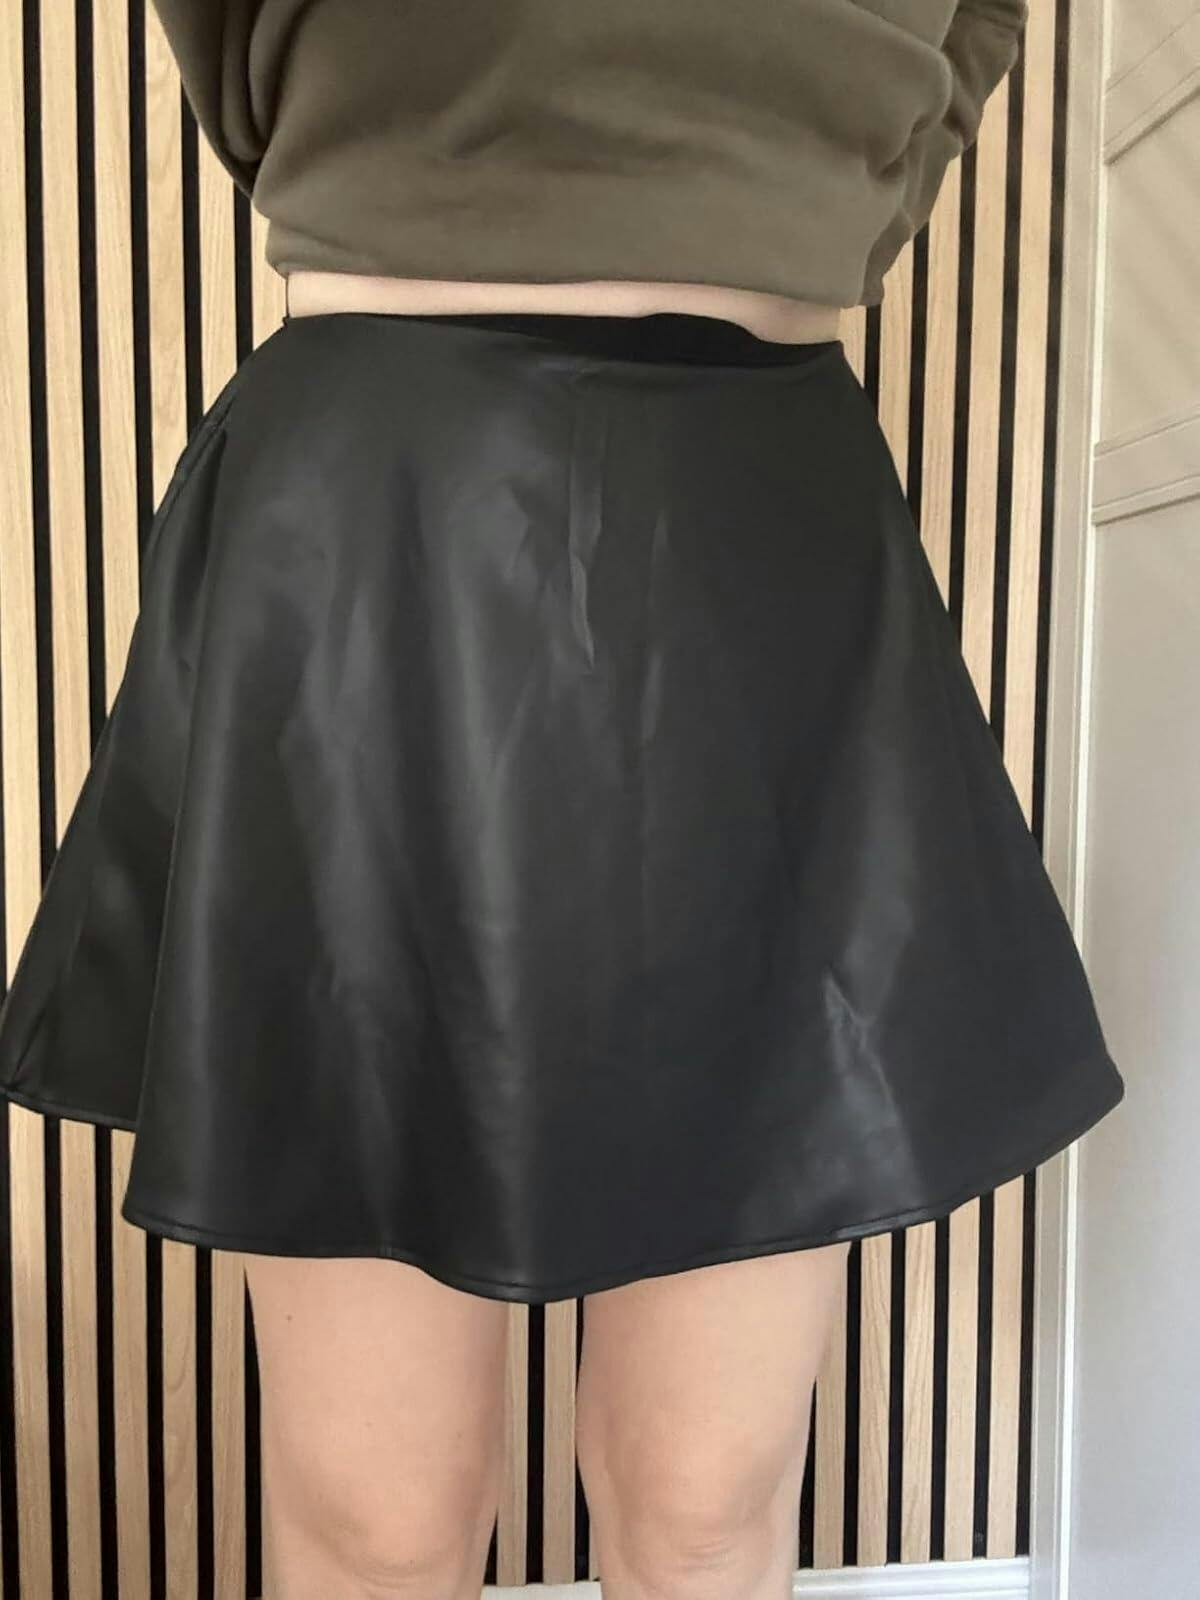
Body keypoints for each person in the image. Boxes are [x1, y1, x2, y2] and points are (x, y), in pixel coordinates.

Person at [0, 5, 1125, 1598]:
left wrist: (829, 190)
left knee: (708, 1498)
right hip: (386, 508)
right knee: (381, 1520)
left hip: (765, 510)